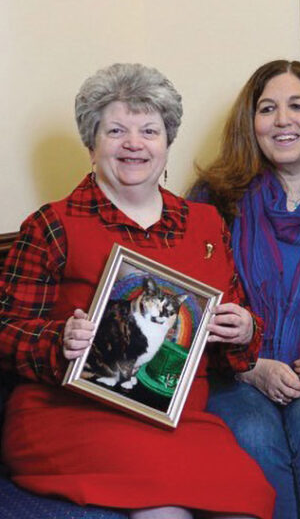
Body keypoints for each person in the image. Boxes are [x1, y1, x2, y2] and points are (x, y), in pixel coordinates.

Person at [0, 63, 274, 518]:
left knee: (248, 504)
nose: (134, 144)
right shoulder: (52, 224)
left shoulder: (206, 225)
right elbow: (6, 331)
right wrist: (58, 342)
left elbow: (233, 350)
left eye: (149, 131)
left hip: (178, 419)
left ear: (167, 143)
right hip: (74, 415)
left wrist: (243, 330)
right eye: (115, 131)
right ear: (91, 144)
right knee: (164, 513)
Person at [190, 60, 300, 519]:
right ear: (251, 125)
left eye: (297, 106)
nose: (283, 120)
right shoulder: (212, 199)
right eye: (267, 109)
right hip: (234, 373)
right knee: (252, 432)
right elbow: (190, 302)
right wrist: (249, 366)